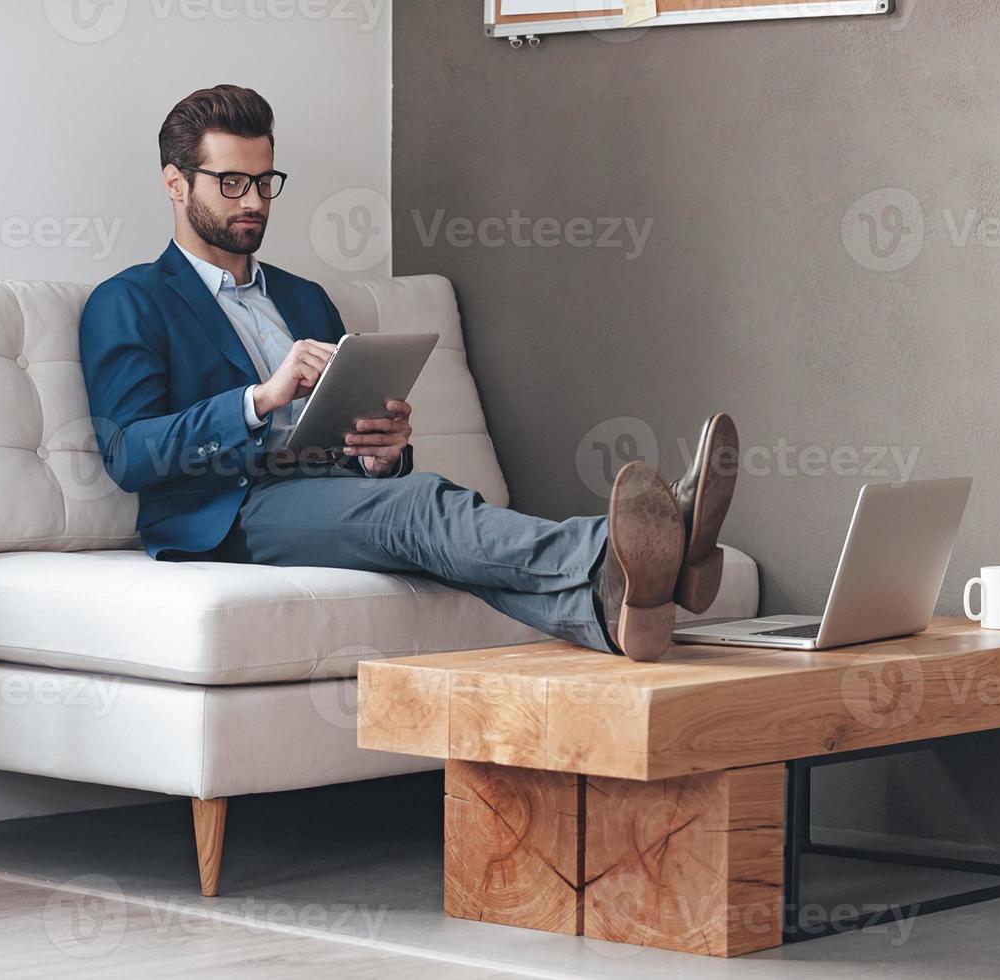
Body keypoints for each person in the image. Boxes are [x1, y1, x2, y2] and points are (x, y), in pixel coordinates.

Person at [78, 84, 739, 661]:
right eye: (230, 183)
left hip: (331, 489)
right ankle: (633, 545)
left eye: (263, 181)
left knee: (423, 520)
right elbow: (129, 452)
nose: (252, 200)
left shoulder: (303, 296)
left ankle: (606, 613)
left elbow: (350, 436)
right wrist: (257, 399)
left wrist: (379, 453)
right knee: (421, 507)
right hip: (230, 511)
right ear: (175, 182)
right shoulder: (130, 301)